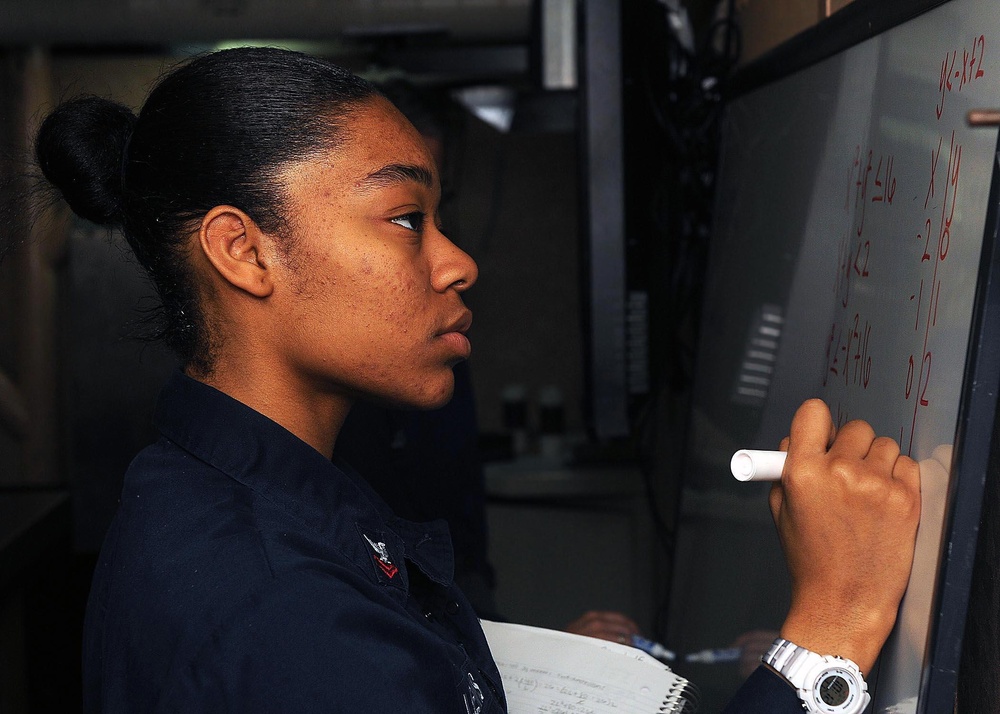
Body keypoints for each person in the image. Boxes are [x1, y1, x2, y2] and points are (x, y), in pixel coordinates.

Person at [32, 47, 920, 713]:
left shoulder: (223, 490)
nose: (457, 263)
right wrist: (831, 631)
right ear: (244, 251)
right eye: (407, 218)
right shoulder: (278, 603)